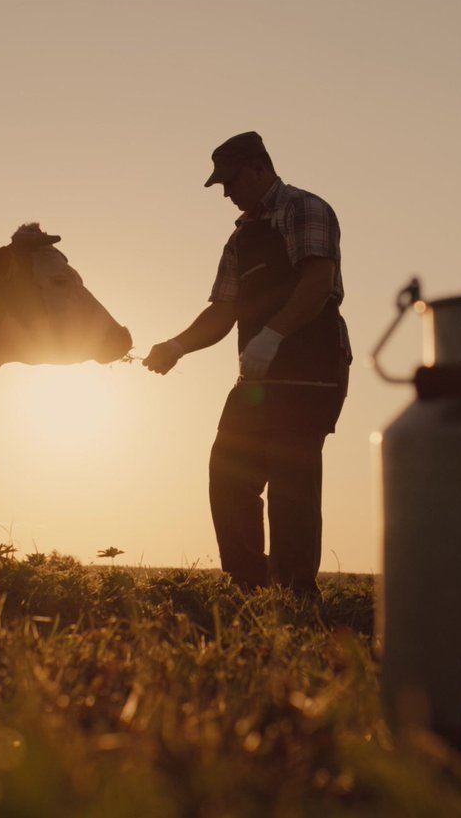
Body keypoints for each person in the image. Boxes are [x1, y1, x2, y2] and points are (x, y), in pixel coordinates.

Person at [144, 131, 351, 599]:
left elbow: (318, 282)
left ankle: (296, 596)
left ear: (260, 167)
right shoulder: (240, 238)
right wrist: (176, 346)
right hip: (257, 376)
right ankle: (249, 590)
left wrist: (273, 336)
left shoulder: (305, 209)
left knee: (290, 485)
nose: (226, 191)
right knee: (228, 473)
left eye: (231, 180)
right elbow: (222, 311)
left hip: (310, 371)